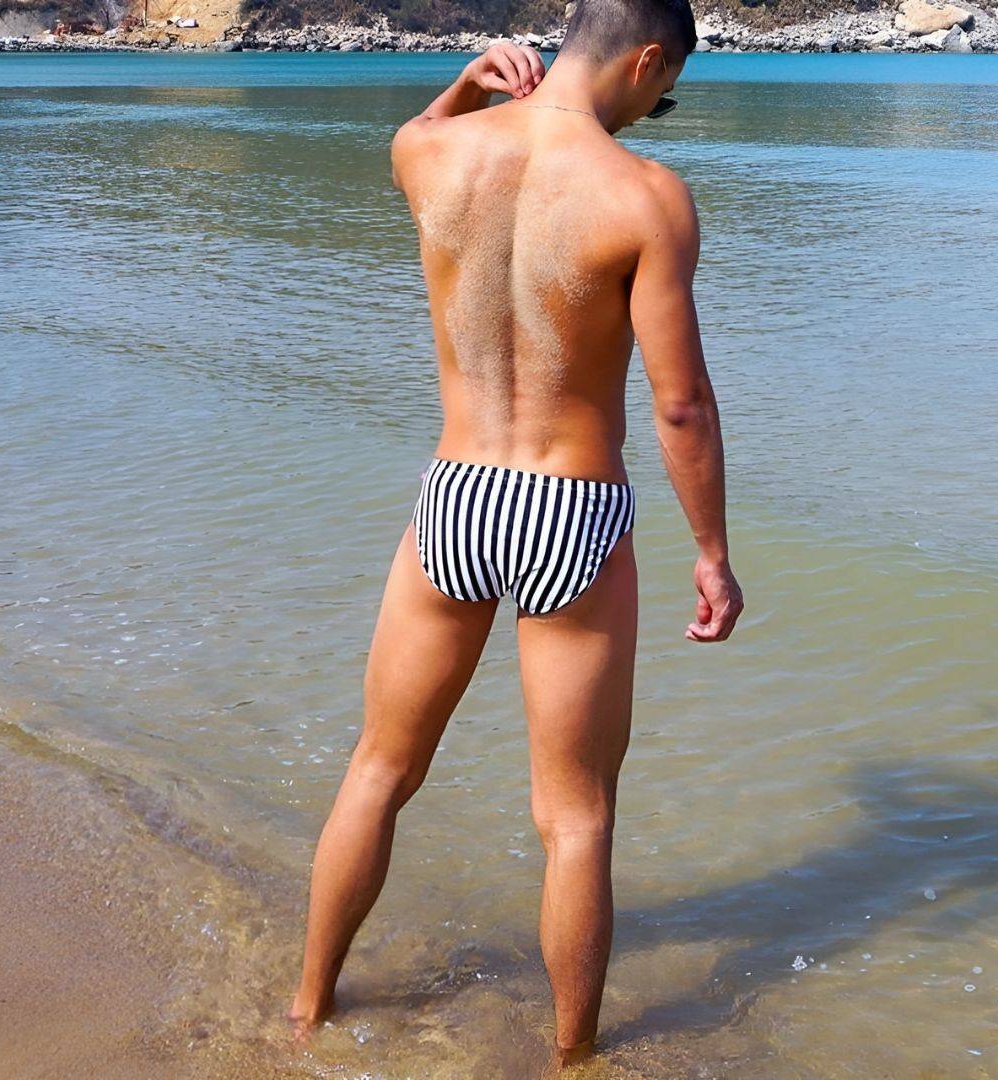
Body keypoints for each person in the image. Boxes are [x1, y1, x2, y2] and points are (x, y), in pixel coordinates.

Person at [289, 0, 744, 1065]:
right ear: (645, 59)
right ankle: (572, 1056)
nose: (652, 111)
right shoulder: (644, 196)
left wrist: (463, 83)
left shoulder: (435, 153)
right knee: (575, 819)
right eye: (660, 92)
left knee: (378, 771)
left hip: (455, 493)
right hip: (570, 508)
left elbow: (415, 135)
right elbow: (682, 406)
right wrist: (712, 552)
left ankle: (307, 1009)